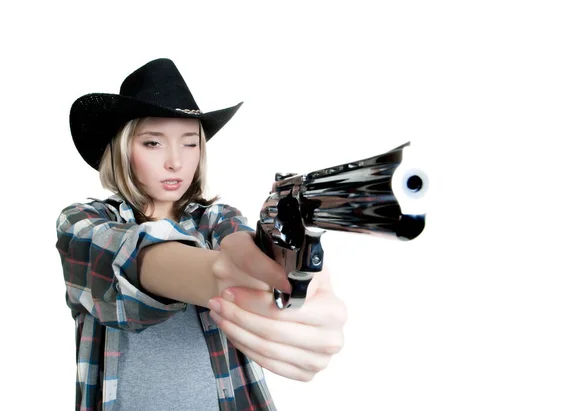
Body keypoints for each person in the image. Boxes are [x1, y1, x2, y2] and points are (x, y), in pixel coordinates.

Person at [55, 58, 347, 411]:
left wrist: (290, 281)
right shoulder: (83, 222)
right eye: (153, 143)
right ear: (122, 149)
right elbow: (130, 256)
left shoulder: (217, 219)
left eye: (190, 143)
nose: (176, 162)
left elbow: (238, 241)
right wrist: (221, 274)